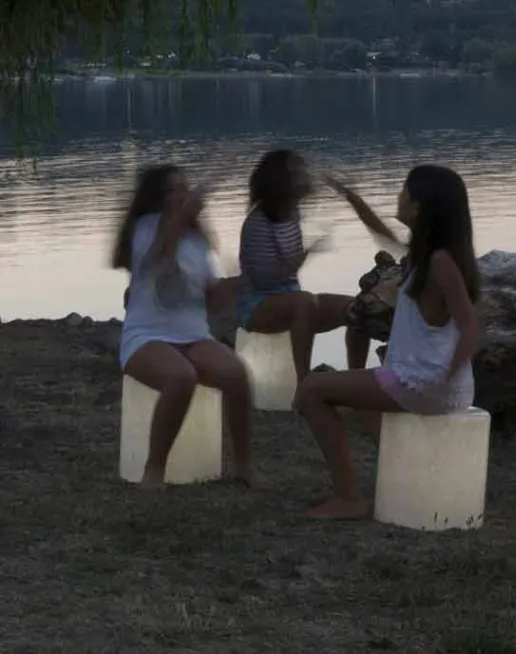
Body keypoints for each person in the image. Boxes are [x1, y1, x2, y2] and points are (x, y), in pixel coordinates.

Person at [293, 165, 480, 521]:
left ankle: (349, 498)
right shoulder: (427, 253)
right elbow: (380, 232)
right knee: (360, 403)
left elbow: (470, 327)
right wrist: (350, 196)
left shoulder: (440, 261)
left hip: (425, 381)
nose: (399, 195)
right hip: (419, 377)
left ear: (420, 207)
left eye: (404, 191)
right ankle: (409, 477)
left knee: (311, 390)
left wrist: (443, 377)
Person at [113, 164, 254, 490]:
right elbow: (159, 255)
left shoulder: (196, 242)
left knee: (236, 374)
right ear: (157, 198)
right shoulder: (145, 229)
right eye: (174, 191)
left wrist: (242, 283)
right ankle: (154, 470)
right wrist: (188, 208)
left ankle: (243, 466)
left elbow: (210, 299)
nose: (183, 197)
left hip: (192, 335)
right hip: (145, 336)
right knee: (181, 377)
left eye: (184, 189)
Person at [237, 150, 354, 380]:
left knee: (357, 308)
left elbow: (288, 271)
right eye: (297, 171)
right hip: (257, 305)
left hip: (292, 298)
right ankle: (304, 382)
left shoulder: (292, 213)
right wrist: (307, 253)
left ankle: (356, 378)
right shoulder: (258, 223)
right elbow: (266, 280)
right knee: (304, 302)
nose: (304, 175)